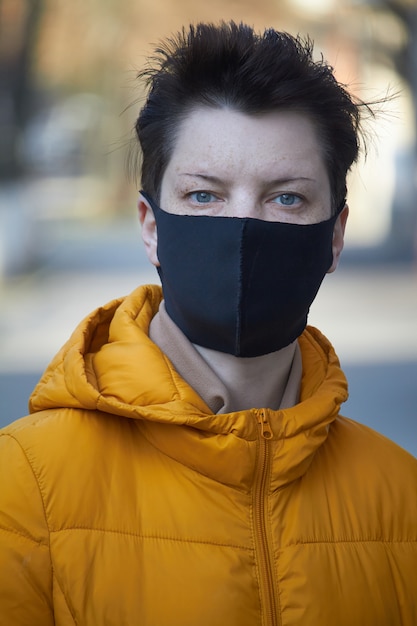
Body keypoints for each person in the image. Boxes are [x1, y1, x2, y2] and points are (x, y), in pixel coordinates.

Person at [0, 21, 416, 626]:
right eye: (203, 196)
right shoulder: (22, 488)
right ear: (151, 225)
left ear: (336, 235)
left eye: (287, 198)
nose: (243, 228)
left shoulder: (401, 498)